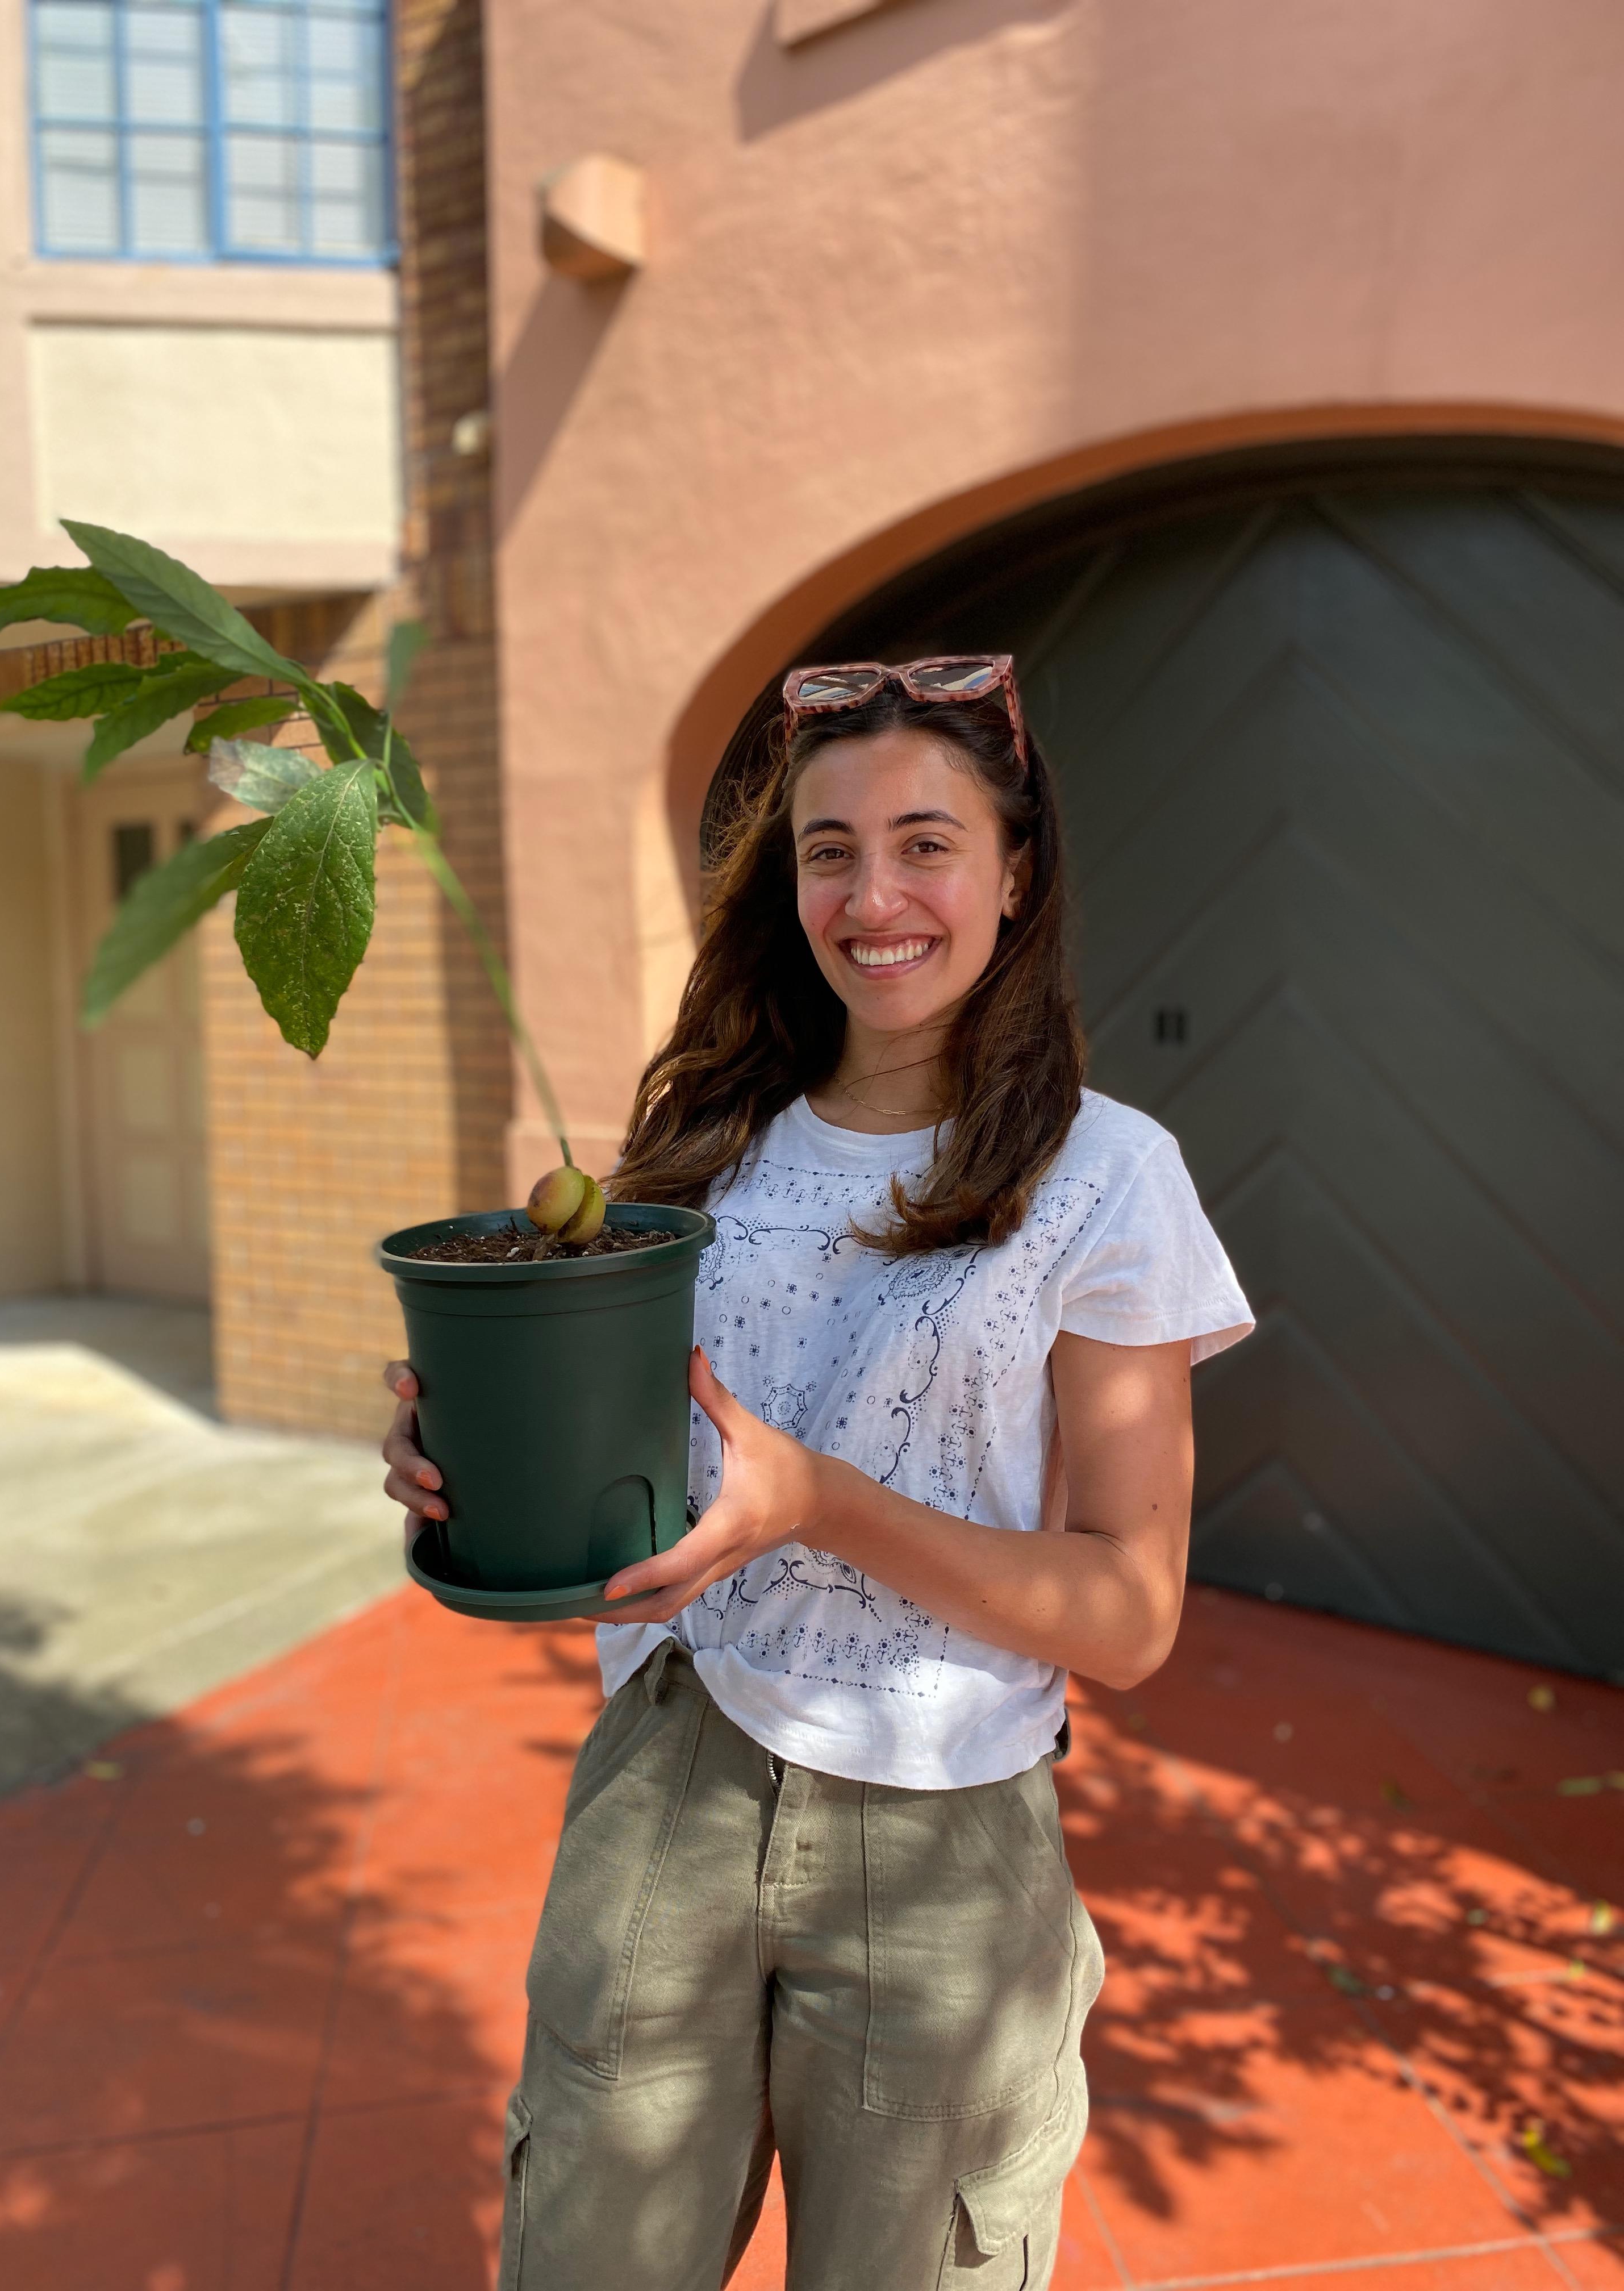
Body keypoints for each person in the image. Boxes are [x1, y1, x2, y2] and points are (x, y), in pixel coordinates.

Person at [381, 655, 1253, 2291]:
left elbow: (1129, 1619)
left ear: (1016, 870)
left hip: (941, 1832)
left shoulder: (1110, 1176)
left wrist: (824, 1506)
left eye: (927, 842)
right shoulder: (703, 1139)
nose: (874, 895)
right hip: (666, 1779)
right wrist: (456, 1436)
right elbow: (601, 1421)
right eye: (827, 850)